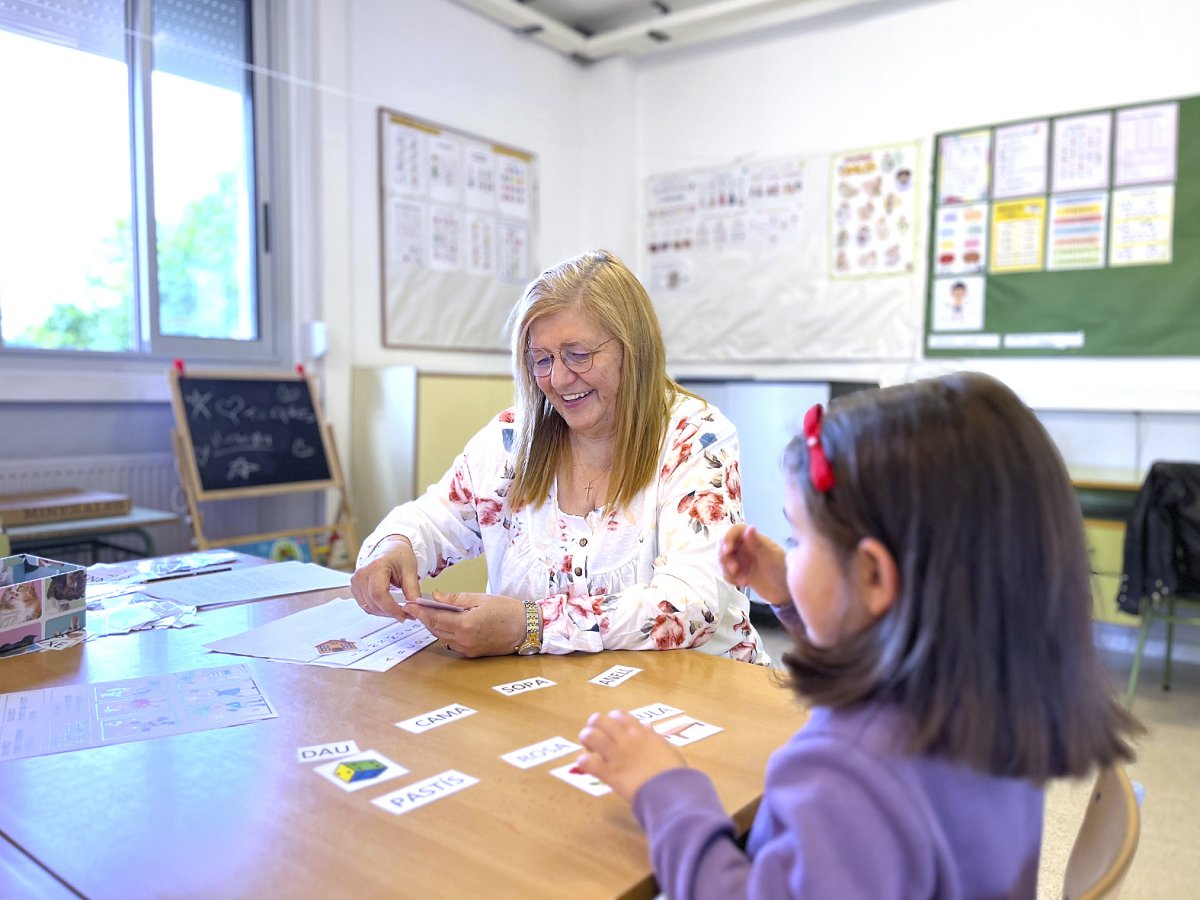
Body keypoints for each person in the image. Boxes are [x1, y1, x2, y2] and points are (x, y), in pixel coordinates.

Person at [574, 372, 1142, 898]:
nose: (788, 552)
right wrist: (792, 593)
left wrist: (668, 791)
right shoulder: (997, 693)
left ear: (872, 576)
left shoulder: (845, 773)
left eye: (798, 540)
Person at [351, 249, 767, 663]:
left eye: (579, 355)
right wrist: (393, 545)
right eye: (542, 360)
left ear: (632, 350)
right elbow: (431, 519)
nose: (559, 378)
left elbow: (691, 607)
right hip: (566, 701)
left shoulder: (695, 438)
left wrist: (531, 625)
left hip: (703, 698)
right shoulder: (513, 440)